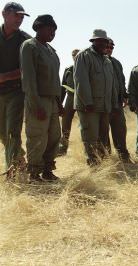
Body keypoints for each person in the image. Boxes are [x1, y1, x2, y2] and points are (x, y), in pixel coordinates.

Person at [20, 15, 62, 182]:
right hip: (37, 100)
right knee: (37, 137)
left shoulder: (52, 51)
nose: (53, 33)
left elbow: (56, 80)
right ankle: (34, 173)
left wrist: (59, 103)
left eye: (55, 30)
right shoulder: (29, 46)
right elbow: (29, 79)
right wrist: (36, 105)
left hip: (52, 101)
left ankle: (47, 170)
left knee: (54, 137)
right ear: (39, 28)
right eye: (50, 29)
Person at [74, 29, 117, 166]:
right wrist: (88, 102)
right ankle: (93, 165)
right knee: (90, 137)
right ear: (93, 41)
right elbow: (81, 81)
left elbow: (111, 85)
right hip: (89, 107)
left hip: (104, 107)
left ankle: (102, 165)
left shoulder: (106, 60)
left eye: (105, 41)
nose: (103, 44)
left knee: (103, 138)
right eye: (100, 41)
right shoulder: (84, 56)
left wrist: (113, 104)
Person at [0, 2, 30, 178]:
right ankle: (20, 160)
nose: (19, 19)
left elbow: (27, 69)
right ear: (4, 14)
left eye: (21, 16)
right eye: (16, 15)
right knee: (3, 133)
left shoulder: (25, 41)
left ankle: (12, 174)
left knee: (12, 132)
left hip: (16, 92)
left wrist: (4, 77)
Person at [104, 38, 130, 161]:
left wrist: (124, 96)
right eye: (107, 46)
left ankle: (123, 156)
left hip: (117, 103)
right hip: (103, 104)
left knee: (120, 130)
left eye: (111, 47)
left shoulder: (117, 63)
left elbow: (122, 81)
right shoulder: (97, 60)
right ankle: (106, 159)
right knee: (103, 132)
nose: (109, 49)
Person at [58, 48, 79, 156]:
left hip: (82, 100)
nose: (75, 57)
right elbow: (62, 87)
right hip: (70, 99)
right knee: (65, 123)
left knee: (87, 123)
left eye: (77, 55)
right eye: (73, 56)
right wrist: (60, 103)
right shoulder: (68, 70)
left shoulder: (86, 68)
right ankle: (63, 149)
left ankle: (87, 149)